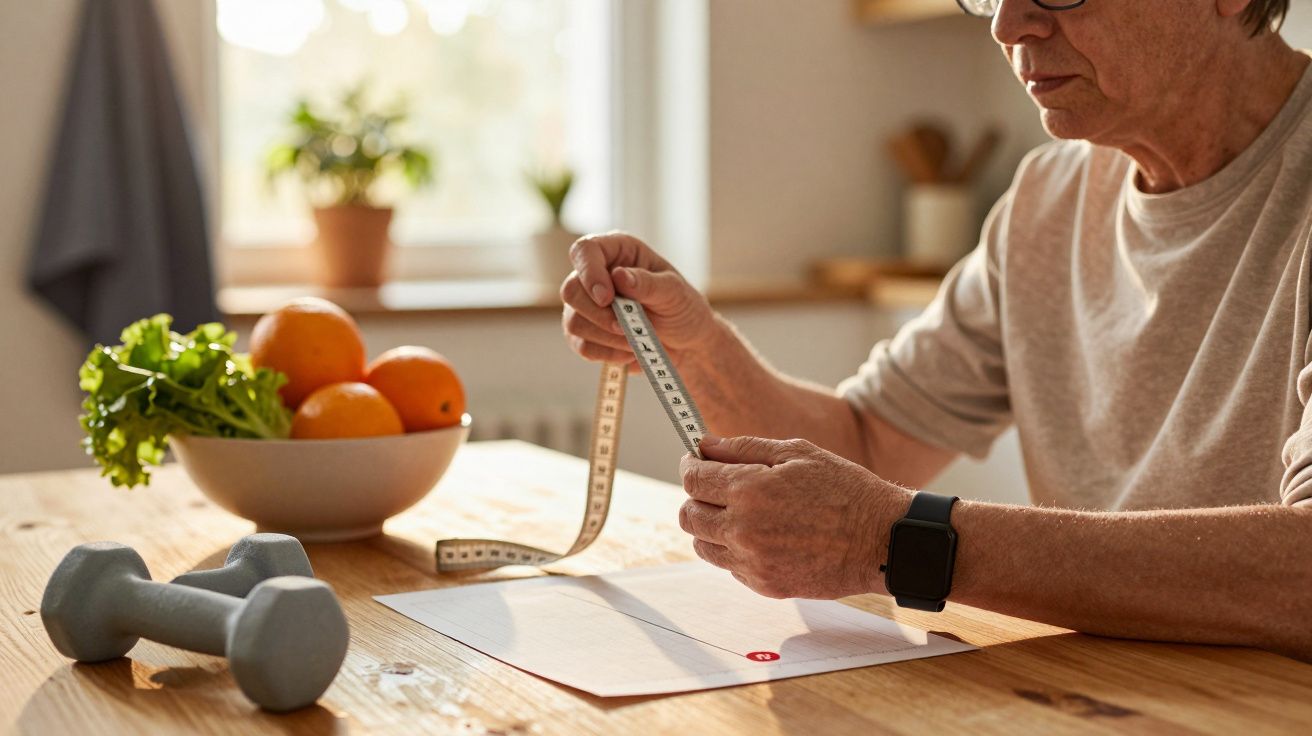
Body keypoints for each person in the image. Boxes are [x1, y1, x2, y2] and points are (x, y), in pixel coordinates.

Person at [560, 0, 1312, 660]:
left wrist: (901, 541)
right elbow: (864, 443)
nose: (1007, 22)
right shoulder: (1047, 202)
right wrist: (694, 346)